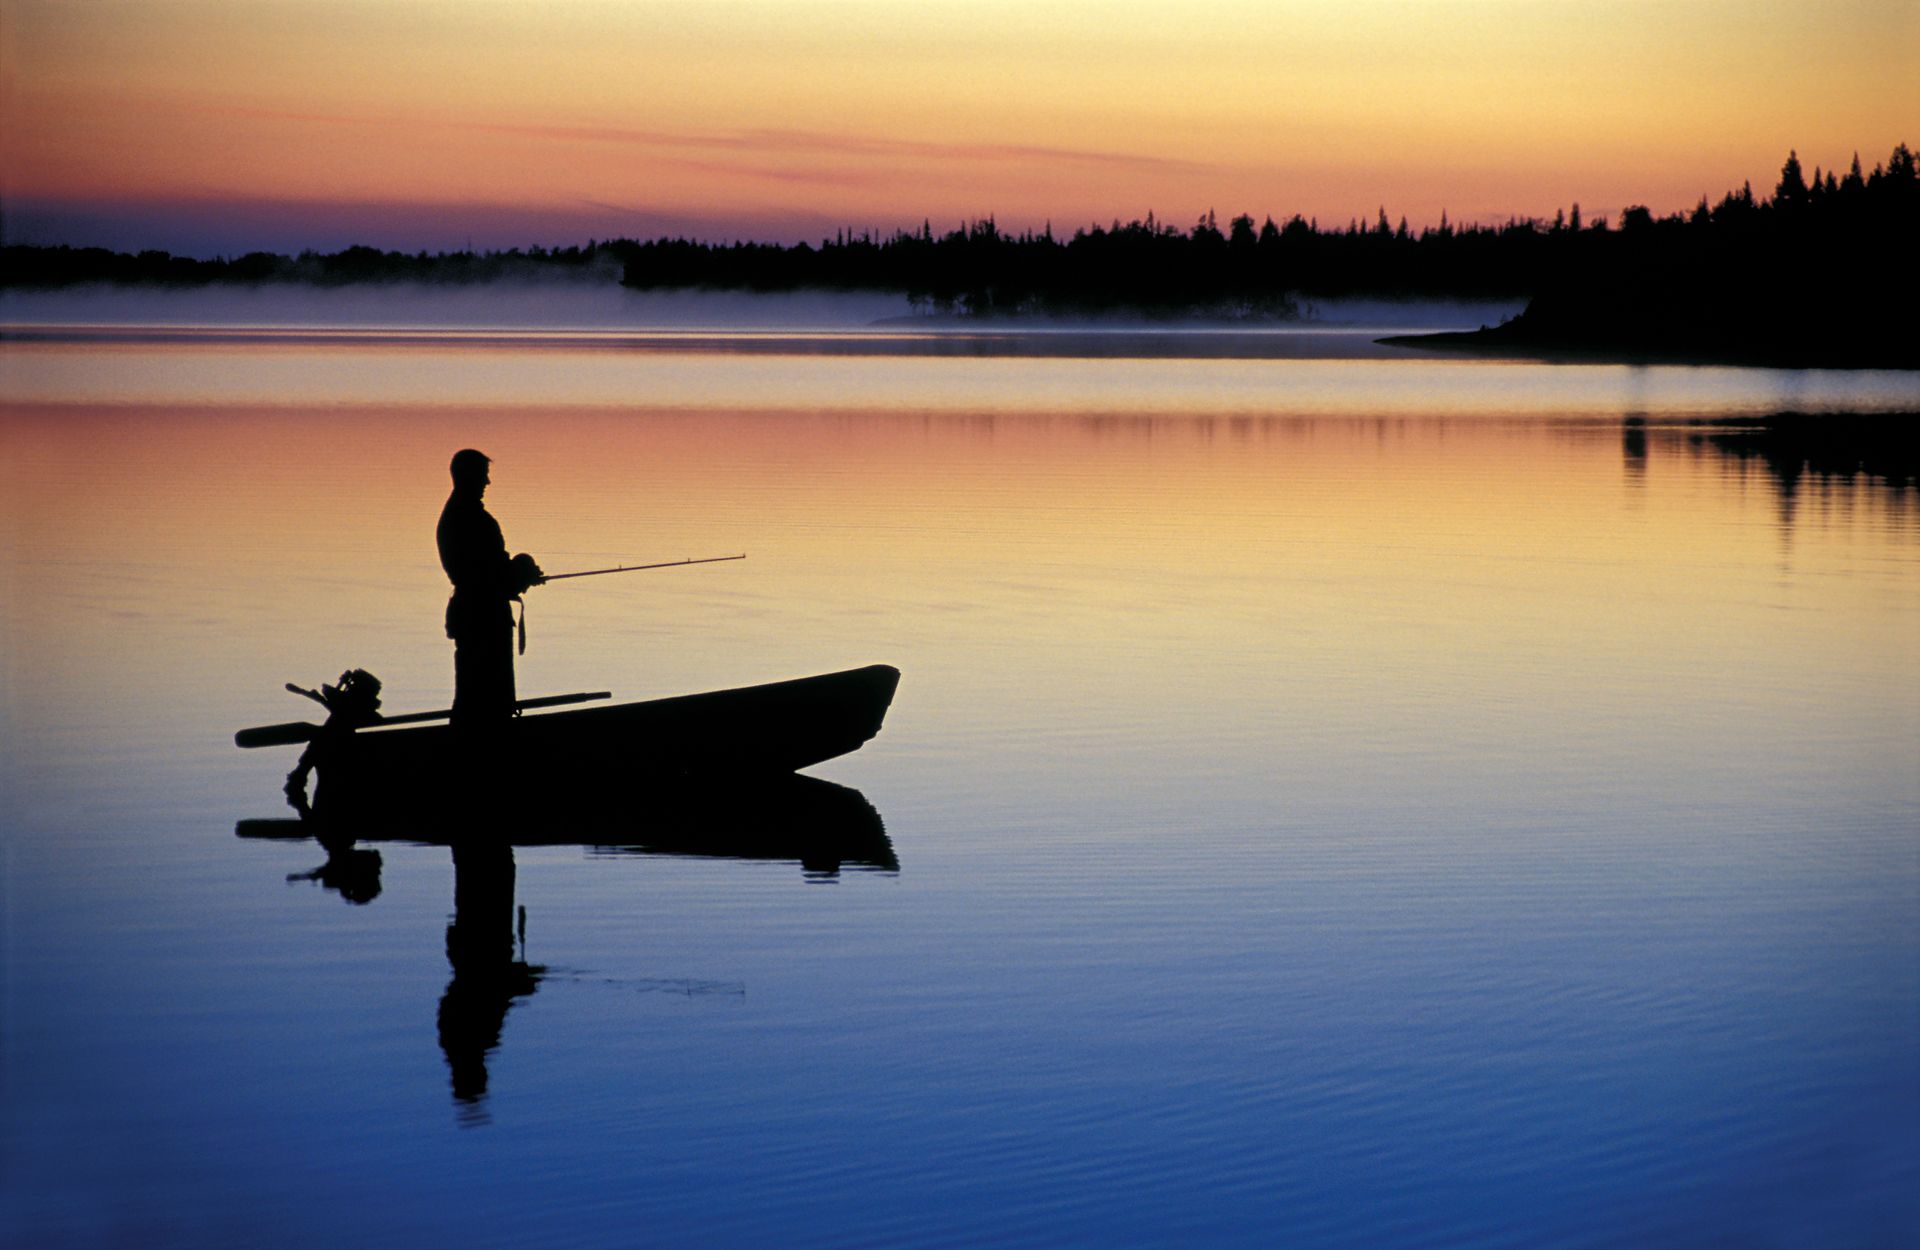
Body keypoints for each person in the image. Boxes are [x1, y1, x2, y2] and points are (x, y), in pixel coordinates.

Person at [437, 449, 543, 725]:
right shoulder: (470, 519)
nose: (487, 483)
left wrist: (519, 574)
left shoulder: (460, 515)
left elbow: (489, 572)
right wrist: (522, 574)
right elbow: (487, 574)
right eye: (484, 476)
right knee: (485, 695)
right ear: (469, 476)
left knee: (476, 694)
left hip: (475, 614)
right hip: (482, 618)